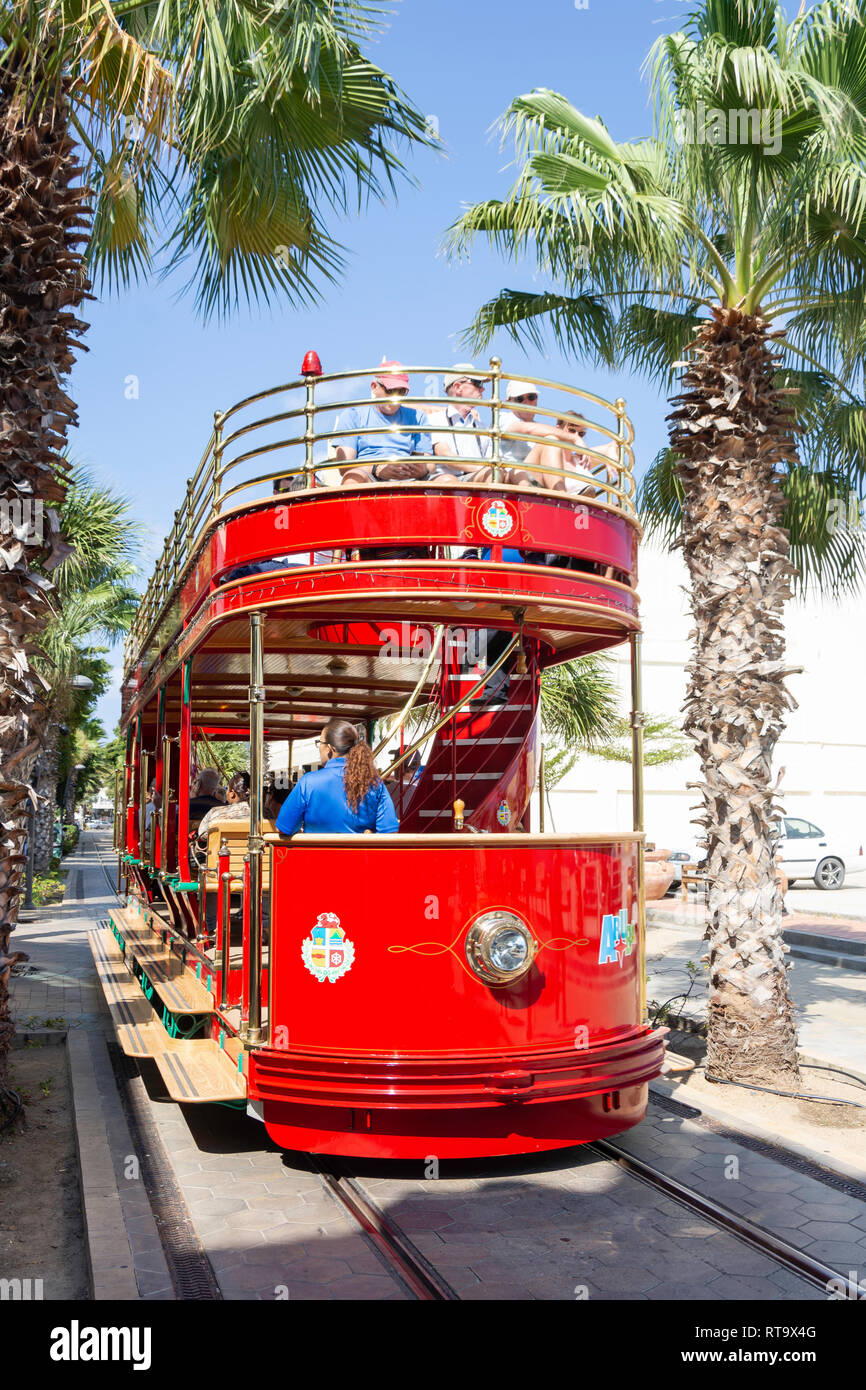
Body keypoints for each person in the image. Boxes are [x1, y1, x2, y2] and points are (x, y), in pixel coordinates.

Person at [276, 719, 398, 835]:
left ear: (329, 749)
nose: (318, 748)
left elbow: (284, 828)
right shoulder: (375, 784)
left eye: (320, 743)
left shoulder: (308, 782)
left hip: (315, 856)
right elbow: (389, 831)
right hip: (360, 856)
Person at [334, 362, 433, 484]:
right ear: (374, 387)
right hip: (369, 477)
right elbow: (344, 467)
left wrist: (421, 470)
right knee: (352, 479)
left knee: (447, 480)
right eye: (390, 390)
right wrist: (377, 469)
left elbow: (430, 464)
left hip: (410, 479)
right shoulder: (353, 415)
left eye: (401, 391)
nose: (395, 398)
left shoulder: (418, 416)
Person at [500, 380, 587, 488]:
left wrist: (609, 449)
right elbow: (529, 430)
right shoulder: (505, 419)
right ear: (509, 402)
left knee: (552, 442)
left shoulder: (541, 428)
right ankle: (561, 496)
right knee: (551, 440)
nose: (526, 402)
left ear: (537, 398)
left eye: (531, 397)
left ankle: (562, 495)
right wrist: (575, 439)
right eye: (520, 399)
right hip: (513, 478)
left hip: (536, 478)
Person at [196, 771, 251, 845]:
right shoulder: (266, 813)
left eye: (227, 789)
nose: (226, 793)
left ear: (232, 793)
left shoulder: (216, 813)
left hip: (222, 854)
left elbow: (202, 835)